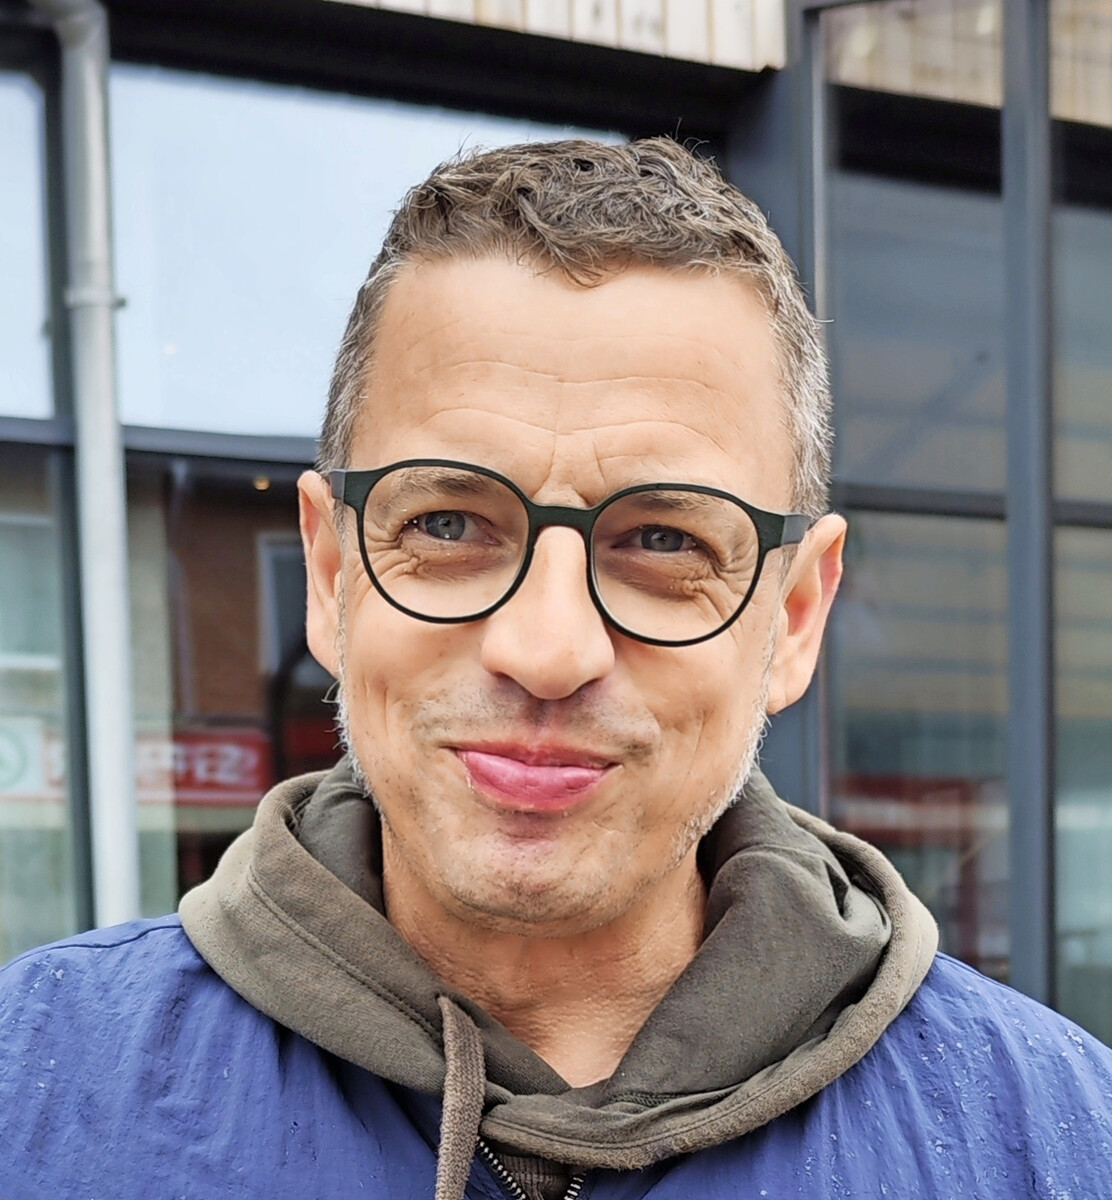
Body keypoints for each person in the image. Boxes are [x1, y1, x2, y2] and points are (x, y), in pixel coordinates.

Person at [2, 138, 1110, 1200]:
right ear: (332, 574)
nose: (546, 652)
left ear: (796, 614)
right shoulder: (31, 1088)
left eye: (664, 541)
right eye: (446, 524)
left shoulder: (1060, 1137)